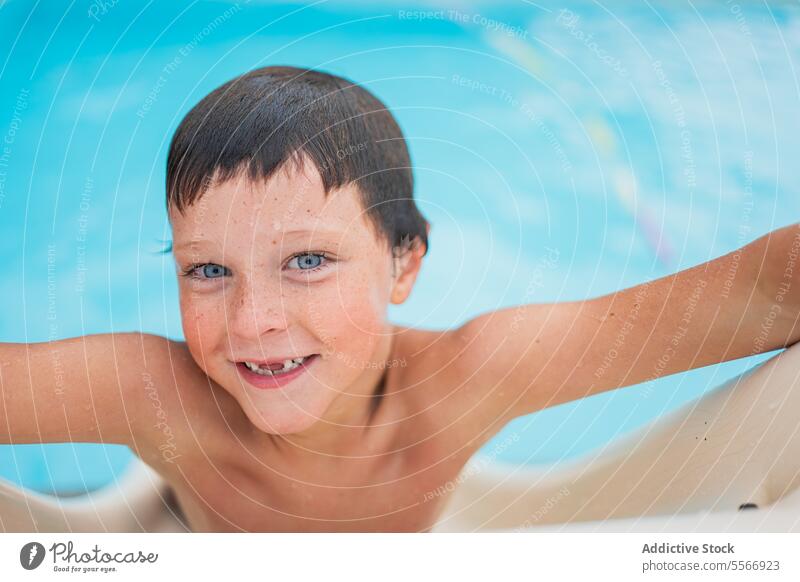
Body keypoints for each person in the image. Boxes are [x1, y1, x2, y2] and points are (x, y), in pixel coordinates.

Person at [2, 66, 798, 532]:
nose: (252, 322)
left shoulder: (462, 382)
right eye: (207, 271)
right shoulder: (152, 396)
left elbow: (766, 291)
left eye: (307, 260)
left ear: (404, 264)